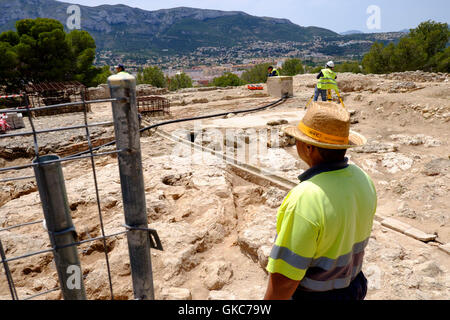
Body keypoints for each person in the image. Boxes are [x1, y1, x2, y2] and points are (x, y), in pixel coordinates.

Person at [264, 101, 377, 300]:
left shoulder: (305, 198)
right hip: (354, 287)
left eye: (298, 139)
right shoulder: (363, 178)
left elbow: (285, 280)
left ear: (309, 148)